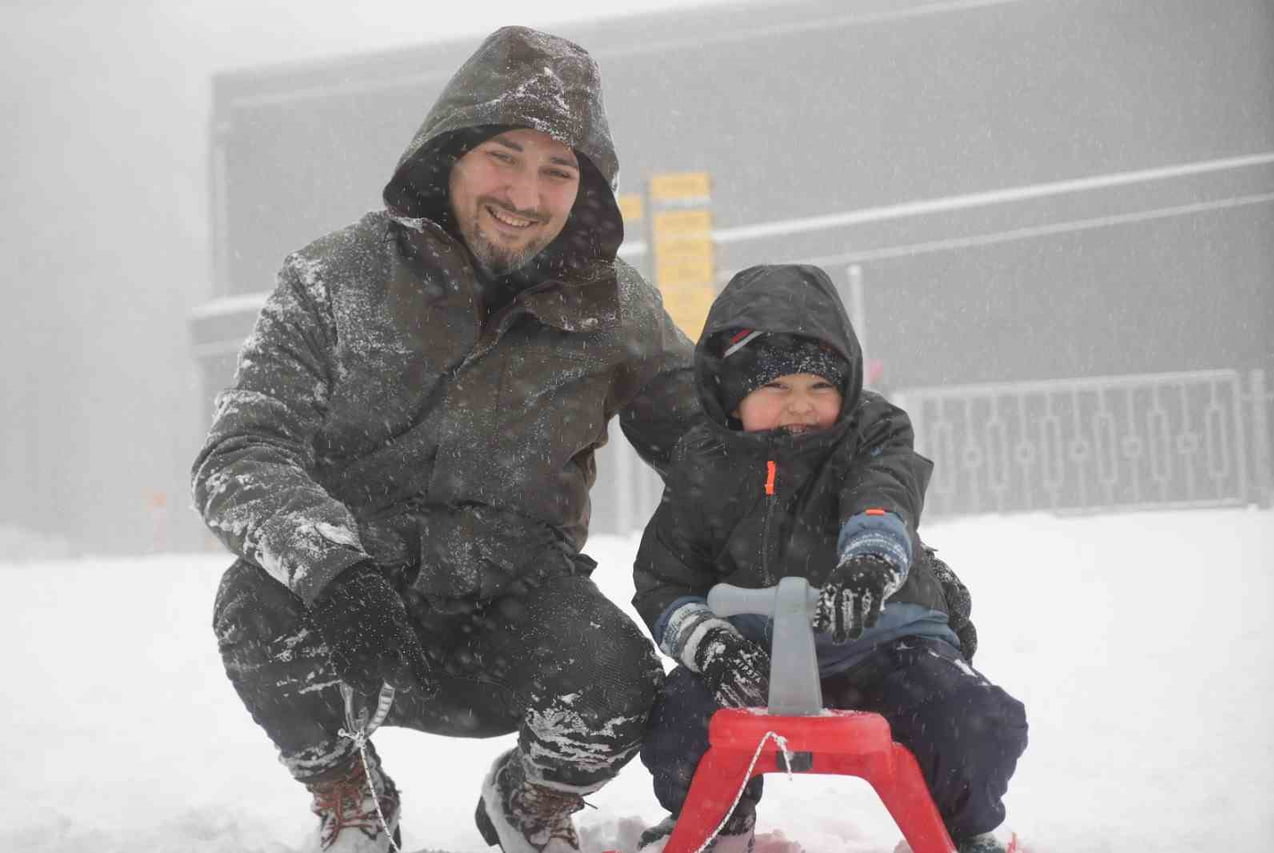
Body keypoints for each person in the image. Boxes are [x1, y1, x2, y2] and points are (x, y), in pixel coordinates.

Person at [191, 26, 699, 853]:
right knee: (254, 606)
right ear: (451, 153)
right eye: (505, 155)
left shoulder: (613, 308)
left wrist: (852, 522)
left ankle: (530, 804)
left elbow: (714, 452)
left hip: (515, 615)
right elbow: (240, 451)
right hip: (355, 612)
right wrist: (332, 569)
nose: (526, 193)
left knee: (619, 674)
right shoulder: (334, 278)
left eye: (557, 170)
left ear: (588, 189)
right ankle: (350, 798)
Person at [631, 264, 1027, 853]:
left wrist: (869, 563)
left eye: (820, 388)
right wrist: (708, 643)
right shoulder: (704, 461)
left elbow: (882, 495)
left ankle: (959, 830)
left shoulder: (872, 433)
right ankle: (718, 821)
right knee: (680, 720)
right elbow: (666, 578)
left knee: (970, 719)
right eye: (776, 388)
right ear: (733, 393)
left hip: (886, 641)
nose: (800, 406)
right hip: (753, 649)